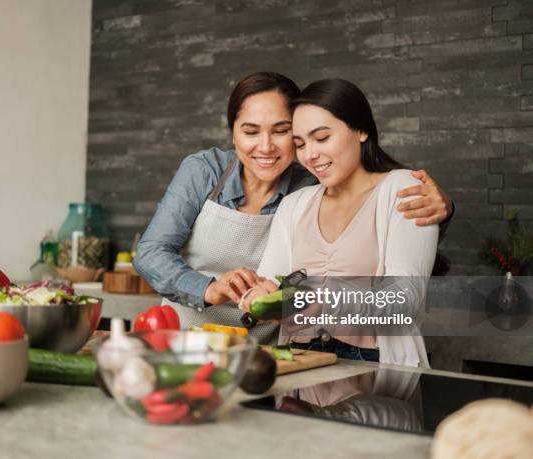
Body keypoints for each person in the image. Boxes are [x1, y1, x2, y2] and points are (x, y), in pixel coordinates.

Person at [133, 72, 453, 343]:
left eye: (283, 132)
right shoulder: (205, 170)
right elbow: (151, 252)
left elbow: (378, 219)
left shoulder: (312, 183)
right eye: (250, 131)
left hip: (265, 349)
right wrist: (209, 288)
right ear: (233, 133)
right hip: (184, 334)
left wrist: (443, 210)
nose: (266, 146)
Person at [241, 78, 440, 364]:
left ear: (360, 130)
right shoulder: (294, 205)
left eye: (322, 138)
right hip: (300, 361)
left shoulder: (402, 189)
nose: (310, 154)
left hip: (371, 363)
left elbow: (405, 300)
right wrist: (257, 295)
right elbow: (271, 281)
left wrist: (323, 301)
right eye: (300, 143)